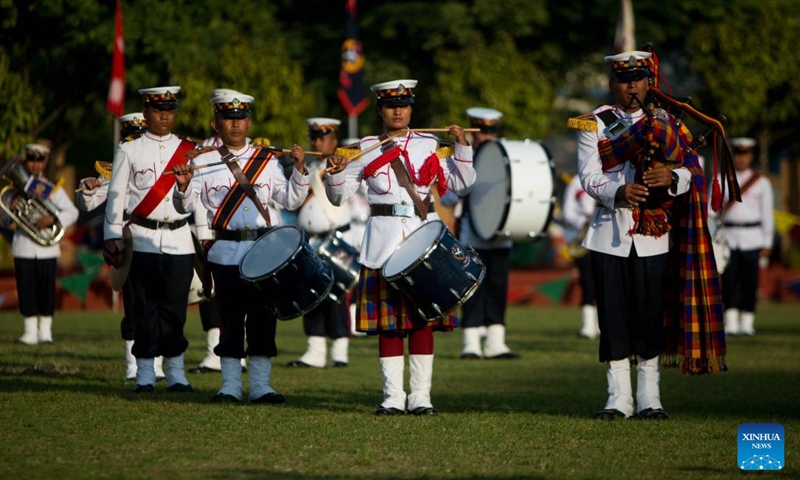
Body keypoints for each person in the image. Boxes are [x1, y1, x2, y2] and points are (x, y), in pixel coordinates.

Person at [575, 50, 727, 420]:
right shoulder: (593, 124)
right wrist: (617, 192)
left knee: (649, 316)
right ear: (612, 84)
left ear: (649, 82)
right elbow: (589, 175)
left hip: (654, 235)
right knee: (613, 318)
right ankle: (618, 399)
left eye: (638, 79)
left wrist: (672, 178)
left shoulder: (670, 124)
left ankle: (650, 399)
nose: (631, 86)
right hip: (609, 232)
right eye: (624, 80)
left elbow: (693, 170)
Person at [324, 79, 476, 415]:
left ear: (411, 108)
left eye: (404, 105)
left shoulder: (431, 143)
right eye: (391, 105)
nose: (398, 110)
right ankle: (392, 397)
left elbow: (461, 187)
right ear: (379, 109)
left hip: (423, 241)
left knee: (422, 322)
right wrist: (334, 174)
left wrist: (463, 148)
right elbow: (339, 197)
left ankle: (421, 397)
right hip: (382, 243)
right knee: (389, 326)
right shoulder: (361, 147)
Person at [172, 91, 309, 404]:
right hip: (226, 252)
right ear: (215, 122)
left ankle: (261, 386)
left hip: (264, 252)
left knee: (263, 319)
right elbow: (186, 206)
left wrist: (299, 172)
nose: (235, 124)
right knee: (231, 320)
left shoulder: (266, 159)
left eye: (241, 117)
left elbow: (290, 200)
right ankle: (230, 386)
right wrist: (182, 187)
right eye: (228, 118)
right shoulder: (202, 160)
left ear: (249, 121)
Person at [103, 86, 196, 393]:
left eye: (170, 111)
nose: (165, 116)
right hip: (141, 238)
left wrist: (183, 188)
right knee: (144, 307)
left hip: (179, 239)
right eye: (158, 111)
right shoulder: (129, 150)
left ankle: (176, 372)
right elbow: (116, 197)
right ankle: (144, 372)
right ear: (145, 113)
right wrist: (112, 237)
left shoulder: (188, 150)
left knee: (174, 308)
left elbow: (190, 205)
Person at [77, 112, 166, 381]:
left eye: (139, 136)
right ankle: (132, 364)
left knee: (159, 303)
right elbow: (88, 203)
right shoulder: (117, 172)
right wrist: (88, 186)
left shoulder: (159, 170)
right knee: (132, 305)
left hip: (156, 241)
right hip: (128, 246)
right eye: (130, 137)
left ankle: (158, 364)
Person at [439, 107, 518, 359]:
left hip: (501, 233)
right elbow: (449, 198)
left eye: (492, 131)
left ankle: (496, 343)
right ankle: (470, 343)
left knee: (498, 287)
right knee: (472, 289)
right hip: (472, 235)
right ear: (473, 131)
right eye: (482, 131)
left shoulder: (506, 156)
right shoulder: (460, 157)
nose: (487, 136)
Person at [286, 118, 353, 368]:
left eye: (322, 137)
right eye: (313, 137)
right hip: (311, 241)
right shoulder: (309, 169)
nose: (316, 142)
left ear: (334, 141)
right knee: (311, 295)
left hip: (337, 239)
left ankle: (339, 350)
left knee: (337, 295)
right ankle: (315, 351)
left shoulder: (345, 167)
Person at [5, 144, 78, 344]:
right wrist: (9, 209)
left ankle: (45, 332)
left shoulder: (52, 188)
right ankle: (29, 332)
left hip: (47, 248)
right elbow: (5, 219)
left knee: (46, 290)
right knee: (26, 289)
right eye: (31, 160)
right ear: (25, 161)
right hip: (23, 246)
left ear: (45, 162)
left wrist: (53, 220)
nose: (36, 165)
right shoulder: (14, 191)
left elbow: (73, 212)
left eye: (40, 160)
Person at [709, 137, 774, 336]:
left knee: (749, 281)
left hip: (752, 237)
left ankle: (747, 321)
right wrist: (712, 238)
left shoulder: (761, 182)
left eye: (745, 155)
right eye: (737, 154)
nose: (741, 159)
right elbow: (710, 212)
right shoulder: (720, 178)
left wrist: (767, 241)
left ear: (751, 156)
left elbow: (767, 213)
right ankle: (731, 321)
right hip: (727, 236)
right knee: (728, 281)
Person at [562, 174, 599, 339]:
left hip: (608, 238)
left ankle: (603, 324)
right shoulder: (577, 182)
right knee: (588, 280)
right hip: (584, 238)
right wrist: (584, 222)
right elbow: (567, 212)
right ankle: (588, 325)